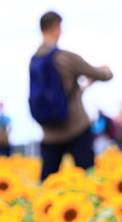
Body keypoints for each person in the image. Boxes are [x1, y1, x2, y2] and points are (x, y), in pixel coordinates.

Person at [30, 11, 113, 181]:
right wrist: (106, 70)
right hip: (76, 127)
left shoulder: (34, 61)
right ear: (56, 27)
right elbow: (102, 75)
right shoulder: (65, 58)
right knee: (88, 178)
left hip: (49, 132)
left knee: (47, 183)